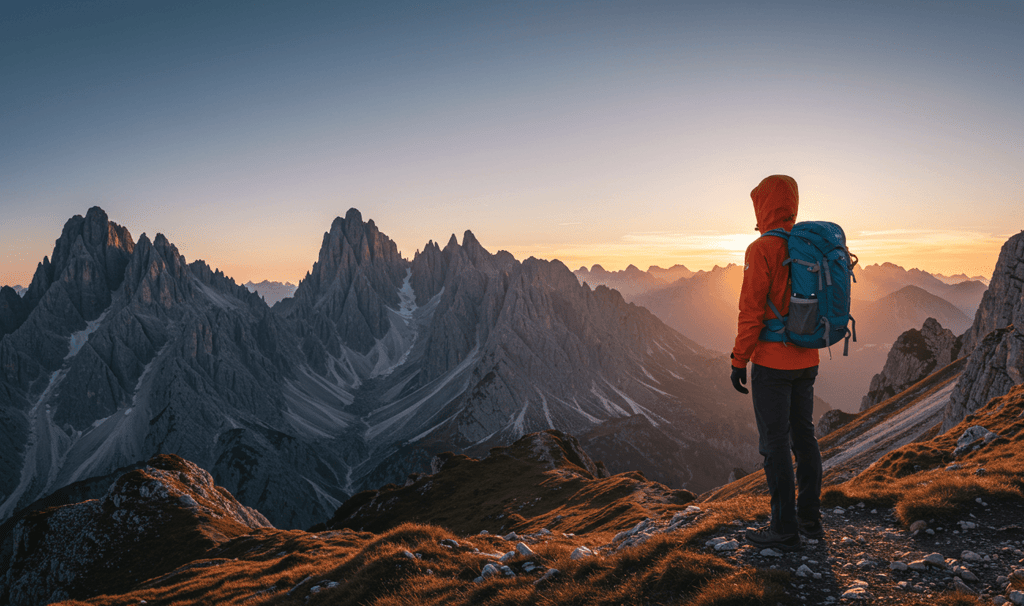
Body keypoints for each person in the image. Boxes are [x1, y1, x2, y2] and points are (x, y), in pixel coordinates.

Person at [730, 174, 823, 551]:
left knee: (775, 443)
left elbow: (751, 312)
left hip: (772, 362)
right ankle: (810, 520)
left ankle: (783, 528)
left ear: (763, 205)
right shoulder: (811, 244)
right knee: (805, 436)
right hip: (809, 357)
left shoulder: (761, 249)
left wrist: (739, 360)